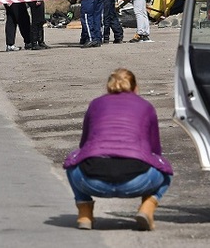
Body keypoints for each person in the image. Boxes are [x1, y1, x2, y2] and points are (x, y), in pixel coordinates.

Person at [63, 68, 173, 231]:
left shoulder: (96, 104)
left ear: (109, 88)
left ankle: (85, 214)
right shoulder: (146, 106)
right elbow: (155, 149)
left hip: (92, 182)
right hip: (137, 182)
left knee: (72, 160)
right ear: (135, 88)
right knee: (165, 170)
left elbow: (84, 144)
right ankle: (147, 208)